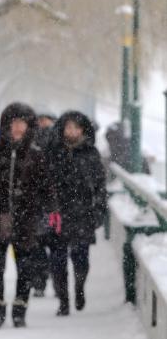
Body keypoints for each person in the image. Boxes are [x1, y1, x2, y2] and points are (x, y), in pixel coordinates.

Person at [0, 103, 57, 328]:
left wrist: (53, 209)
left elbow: (46, 186)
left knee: (25, 268)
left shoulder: (36, 155)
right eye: (13, 122)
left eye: (22, 123)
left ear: (29, 126)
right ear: (6, 125)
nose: (17, 127)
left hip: (26, 219)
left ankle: (20, 310)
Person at [47, 111, 108, 316]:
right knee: (57, 260)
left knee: (81, 257)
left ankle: (79, 287)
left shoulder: (91, 153)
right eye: (68, 127)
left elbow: (100, 184)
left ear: (83, 130)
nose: (72, 131)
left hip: (83, 213)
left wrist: (99, 209)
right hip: (58, 212)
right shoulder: (53, 152)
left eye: (76, 127)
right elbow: (45, 183)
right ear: (63, 129)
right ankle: (63, 299)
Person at [30, 112, 57, 298]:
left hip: (47, 202)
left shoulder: (37, 144)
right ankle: (47, 280)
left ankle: (43, 280)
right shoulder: (55, 145)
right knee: (44, 245)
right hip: (41, 202)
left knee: (41, 245)